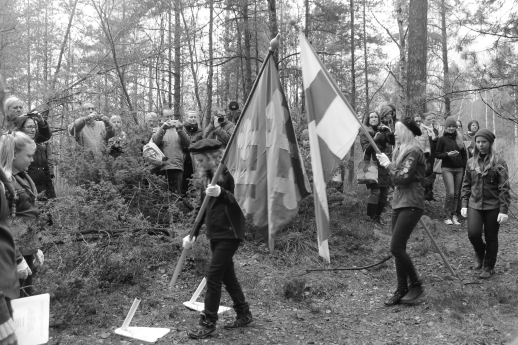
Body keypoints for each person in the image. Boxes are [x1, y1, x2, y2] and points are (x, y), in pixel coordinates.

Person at [184, 139, 252, 339]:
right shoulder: (206, 178)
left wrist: (223, 192)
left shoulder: (231, 174)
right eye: (197, 161)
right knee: (226, 275)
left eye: (201, 160)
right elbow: (201, 208)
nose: (199, 164)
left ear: (213, 157)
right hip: (215, 233)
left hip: (230, 232)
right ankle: (244, 312)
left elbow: (243, 200)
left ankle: (208, 322)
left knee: (213, 275)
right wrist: (192, 234)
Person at [376, 117, 426, 306]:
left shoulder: (413, 151)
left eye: (397, 130)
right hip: (400, 201)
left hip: (412, 201)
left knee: (396, 247)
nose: (395, 133)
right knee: (399, 249)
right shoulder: (401, 150)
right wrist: (390, 165)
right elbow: (396, 178)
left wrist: (389, 166)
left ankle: (416, 284)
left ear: (406, 131)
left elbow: (403, 177)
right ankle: (401, 288)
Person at [461, 129, 510, 279]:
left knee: (491, 237)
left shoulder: (499, 162)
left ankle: (489, 266)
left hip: (493, 205)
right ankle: (480, 251)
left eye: (484, 142)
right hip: (474, 204)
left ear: (490, 143)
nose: (480, 145)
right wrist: (464, 203)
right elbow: (466, 184)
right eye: (478, 142)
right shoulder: (471, 162)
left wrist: (504, 210)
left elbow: (504, 187)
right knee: (473, 234)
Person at [1, 132, 43, 297]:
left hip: (26, 249)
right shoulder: (5, 184)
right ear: (13, 155)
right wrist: (17, 259)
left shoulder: (22, 178)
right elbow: (4, 225)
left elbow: (28, 216)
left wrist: (35, 248)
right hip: (11, 255)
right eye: (29, 156)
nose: (32, 160)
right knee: (12, 302)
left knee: (25, 298)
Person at [360, 111, 394, 224]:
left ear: (379, 118)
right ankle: (370, 218)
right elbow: (365, 149)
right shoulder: (364, 132)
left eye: (375, 117)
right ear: (368, 119)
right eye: (371, 117)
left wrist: (389, 132)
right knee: (375, 191)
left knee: (384, 192)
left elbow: (392, 142)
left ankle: (377, 217)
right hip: (371, 164)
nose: (374, 119)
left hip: (383, 164)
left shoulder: (383, 129)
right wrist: (375, 139)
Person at [435, 117, 467, 225]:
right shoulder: (442, 139)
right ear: (446, 127)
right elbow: (437, 154)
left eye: (453, 126)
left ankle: (454, 215)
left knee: (457, 193)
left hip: (459, 169)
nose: (451, 128)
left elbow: (464, 154)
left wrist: (464, 166)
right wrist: (448, 154)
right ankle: (447, 216)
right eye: (449, 126)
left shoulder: (459, 138)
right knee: (451, 193)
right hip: (447, 168)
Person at [14, 116, 56, 199]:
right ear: (20, 128)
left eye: (34, 127)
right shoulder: (16, 149)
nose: (33, 130)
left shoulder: (39, 148)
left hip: (44, 193)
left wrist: (52, 195)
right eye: (29, 127)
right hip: (28, 194)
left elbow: (46, 172)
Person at [151, 109, 191, 194]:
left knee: (176, 195)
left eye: (171, 116)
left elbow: (188, 143)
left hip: (177, 166)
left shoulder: (179, 129)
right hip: (162, 167)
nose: (169, 119)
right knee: (163, 195)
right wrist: (163, 129)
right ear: (161, 117)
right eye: (167, 117)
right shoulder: (156, 129)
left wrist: (180, 130)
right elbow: (155, 142)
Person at [182, 110, 204, 195]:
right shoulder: (182, 130)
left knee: (195, 180)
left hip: (196, 160)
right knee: (183, 181)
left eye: (195, 117)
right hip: (183, 159)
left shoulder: (200, 132)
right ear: (186, 118)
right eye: (191, 117)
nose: (193, 119)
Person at [421, 112, 439, 201]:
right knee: (424, 173)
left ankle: (429, 194)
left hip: (433, 154)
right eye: (428, 119)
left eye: (432, 119)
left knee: (432, 174)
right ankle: (422, 195)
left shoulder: (434, 130)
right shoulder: (421, 129)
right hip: (424, 154)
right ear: (423, 120)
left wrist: (436, 140)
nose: (430, 121)